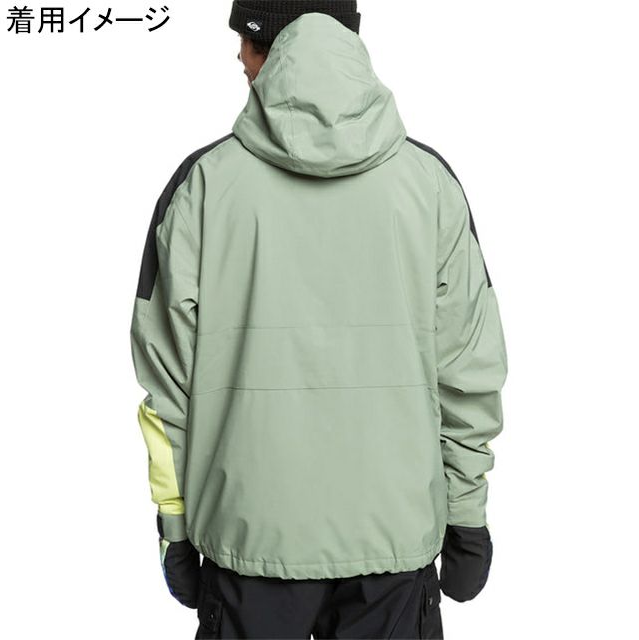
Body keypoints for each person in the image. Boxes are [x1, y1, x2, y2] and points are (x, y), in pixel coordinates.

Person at [129, 1, 508, 638]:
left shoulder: (203, 188)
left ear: (273, 44)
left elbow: (166, 387)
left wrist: (175, 527)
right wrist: (467, 516)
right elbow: (468, 371)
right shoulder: (429, 185)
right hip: (393, 547)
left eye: (246, 42)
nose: (238, 57)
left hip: (248, 545)